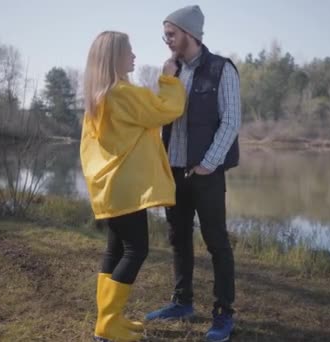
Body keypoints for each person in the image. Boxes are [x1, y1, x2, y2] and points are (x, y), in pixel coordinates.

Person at [80, 30, 185, 342]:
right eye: (129, 51)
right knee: (137, 249)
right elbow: (167, 110)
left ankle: (108, 319)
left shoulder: (99, 95)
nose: (135, 56)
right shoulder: (122, 93)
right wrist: (169, 79)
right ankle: (108, 324)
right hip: (125, 187)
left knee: (115, 250)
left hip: (109, 187)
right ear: (115, 58)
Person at [144, 5, 241, 342]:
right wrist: (164, 79)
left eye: (171, 34)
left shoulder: (221, 70)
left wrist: (208, 164)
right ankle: (182, 303)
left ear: (190, 34)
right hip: (173, 172)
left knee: (217, 244)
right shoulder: (171, 71)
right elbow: (158, 115)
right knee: (178, 240)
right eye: (165, 34)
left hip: (206, 174)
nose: (166, 40)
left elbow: (230, 121)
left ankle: (223, 314)